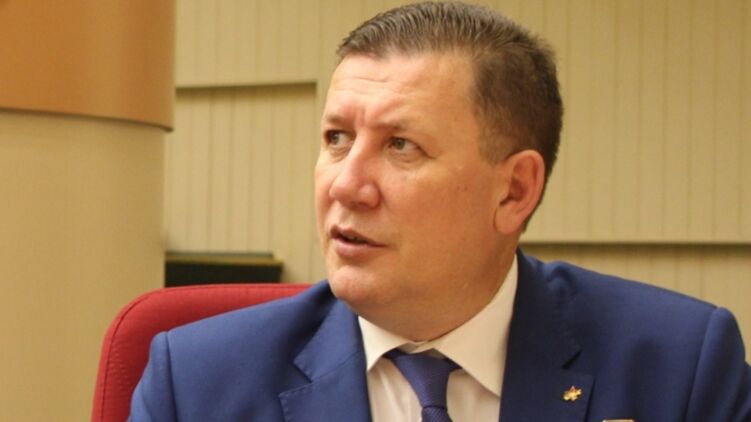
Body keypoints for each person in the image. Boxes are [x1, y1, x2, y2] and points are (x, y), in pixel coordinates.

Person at [129, 2, 751, 421]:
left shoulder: (679, 369)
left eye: (402, 146)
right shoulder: (198, 384)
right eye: (337, 138)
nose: (347, 185)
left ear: (514, 191)